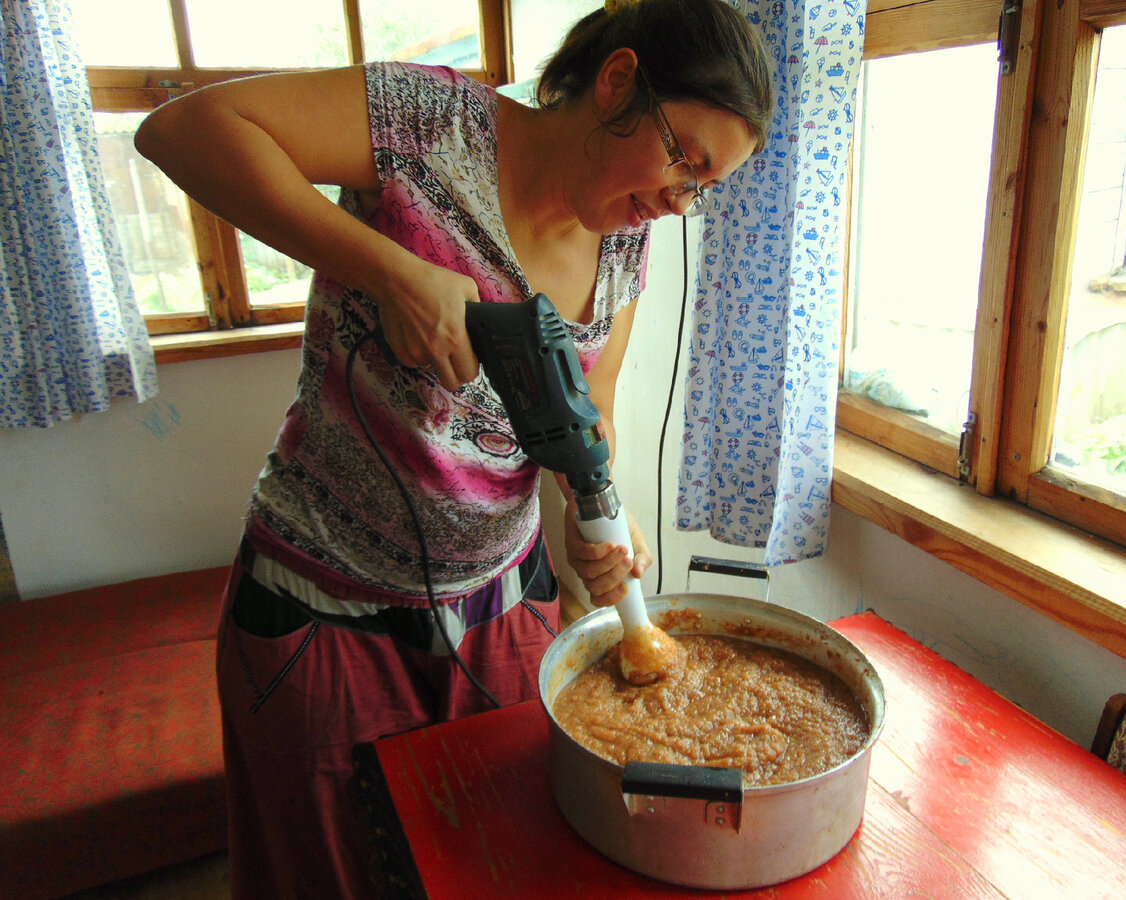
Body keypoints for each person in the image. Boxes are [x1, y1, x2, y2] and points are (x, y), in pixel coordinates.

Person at [135, 0, 771, 895]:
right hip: (325, 610)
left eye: (702, 187)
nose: (678, 201)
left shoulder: (627, 247)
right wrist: (391, 271)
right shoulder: (430, 124)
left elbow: (590, 410)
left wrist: (597, 521)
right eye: (682, 157)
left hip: (503, 611)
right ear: (618, 81)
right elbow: (183, 129)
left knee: (490, 866)